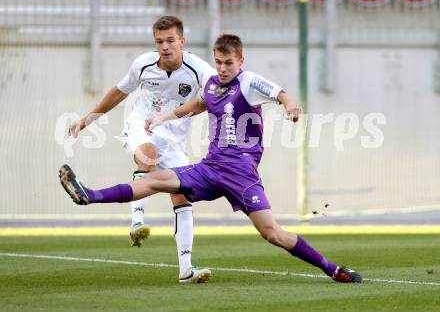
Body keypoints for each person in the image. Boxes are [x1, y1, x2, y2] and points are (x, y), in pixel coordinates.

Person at [60, 34, 362, 283]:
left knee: (272, 233)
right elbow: (197, 103)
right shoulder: (213, 84)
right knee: (156, 180)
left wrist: (291, 106)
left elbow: (283, 94)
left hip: (242, 175)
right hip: (210, 167)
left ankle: (332, 269)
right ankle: (90, 195)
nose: (223, 68)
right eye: (218, 62)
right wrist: (163, 117)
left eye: (229, 62)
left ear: (240, 61)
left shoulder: (250, 83)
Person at [66, 16, 212, 283]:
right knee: (149, 154)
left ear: (182, 41)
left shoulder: (199, 69)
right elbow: (119, 92)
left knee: (183, 196)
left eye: (170, 41)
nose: (165, 47)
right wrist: (87, 120)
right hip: (141, 126)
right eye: (159, 42)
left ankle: (186, 269)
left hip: (175, 139)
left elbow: (214, 94)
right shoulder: (143, 64)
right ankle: (137, 222)